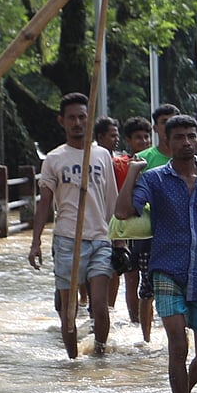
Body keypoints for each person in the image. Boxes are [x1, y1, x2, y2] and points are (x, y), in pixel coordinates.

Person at [117, 115, 197, 393]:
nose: (186, 142)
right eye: (179, 137)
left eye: (191, 136)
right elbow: (122, 212)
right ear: (166, 142)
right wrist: (132, 172)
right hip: (166, 270)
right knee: (178, 345)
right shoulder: (154, 180)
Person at [29, 93, 118, 358]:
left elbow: (111, 200)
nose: (78, 122)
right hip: (67, 239)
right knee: (68, 309)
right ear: (62, 121)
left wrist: (120, 240)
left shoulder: (102, 156)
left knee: (100, 306)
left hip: (101, 238)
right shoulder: (54, 159)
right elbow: (44, 204)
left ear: (89, 119)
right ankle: (72, 361)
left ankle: (100, 354)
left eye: (82, 117)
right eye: (72, 118)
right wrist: (36, 243)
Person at [130, 104, 182, 342]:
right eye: (164, 121)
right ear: (156, 127)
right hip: (151, 235)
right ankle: (147, 340)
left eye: (173, 120)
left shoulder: (190, 154)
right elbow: (132, 201)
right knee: (148, 288)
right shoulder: (143, 159)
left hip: (183, 233)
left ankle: (180, 334)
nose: (169, 125)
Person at [117, 116, 153, 327]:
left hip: (147, 229)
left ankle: (146, 321)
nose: (144, 141)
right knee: (131, 278)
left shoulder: (154, 161)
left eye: (146, 136)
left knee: (149, 279)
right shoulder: (121, 165)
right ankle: (134, 322)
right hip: (128, 229)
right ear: (128, 140)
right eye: (138, 137)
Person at [94, 116, 123, 311]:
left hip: (116, 222)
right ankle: (88, 304)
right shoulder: (91, 160)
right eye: (112, 136)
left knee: (115, 269)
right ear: (100, 137)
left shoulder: (122, 162)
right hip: (93, 224)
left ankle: (109, 309)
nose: (116, 139)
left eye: (117, 135)